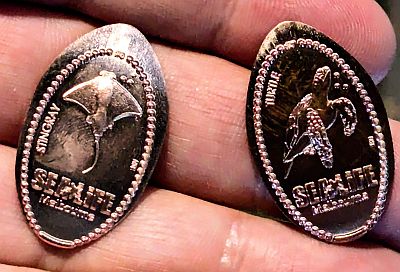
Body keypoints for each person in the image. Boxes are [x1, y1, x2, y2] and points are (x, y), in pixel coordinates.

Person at [0, 0, 398, 271]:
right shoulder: (306, 103)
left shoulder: (332, 102)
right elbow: (299, 118)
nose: (325, 80)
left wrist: (340, 126)